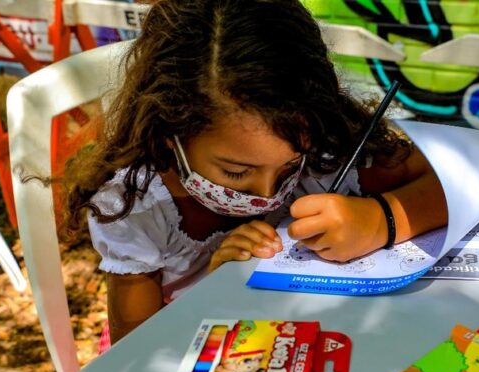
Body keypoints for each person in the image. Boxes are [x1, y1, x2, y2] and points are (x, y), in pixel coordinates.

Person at [62, 0, 447, 344]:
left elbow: (461, 177)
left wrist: (382, 221)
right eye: (235, 172)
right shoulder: (135, 206)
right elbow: (136, 354)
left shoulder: (322, 156)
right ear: (169, 132)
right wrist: (212, 296)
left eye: (290, 165)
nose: (267, 193)